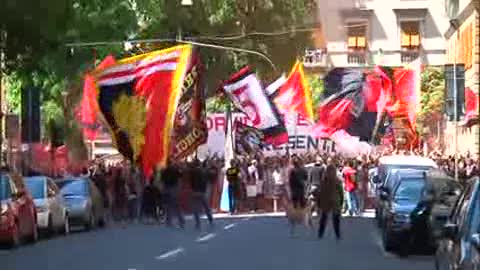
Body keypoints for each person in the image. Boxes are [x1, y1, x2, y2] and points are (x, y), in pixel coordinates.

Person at [317, 164, 343, 240]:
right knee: (336, 219)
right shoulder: (337, 181)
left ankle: (320, 233)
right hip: (335, 200)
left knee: (324, 218)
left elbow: (320, 192)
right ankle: (337, 234)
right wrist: (341, 201)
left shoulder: (324, 181)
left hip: (326, 201)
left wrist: (318, 201)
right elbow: (341, 192)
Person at [189, 160, 214, 230]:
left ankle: (197, 222)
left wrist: (192, 188)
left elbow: (190, 181)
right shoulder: (204, 171)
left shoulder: (192, 172)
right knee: (206, 206)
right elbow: (207, 179)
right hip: (201, 191)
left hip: (194, 191)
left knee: (195, 208)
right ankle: (210, 219)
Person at [161, 160, 185, 228]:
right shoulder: (175, 170)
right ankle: (181, 221)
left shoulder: (164, 170)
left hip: (166, 188)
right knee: (176, 205)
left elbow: (162, 179)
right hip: (174, 188)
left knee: (168, 205)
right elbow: (181, 175)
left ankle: (169, 221)